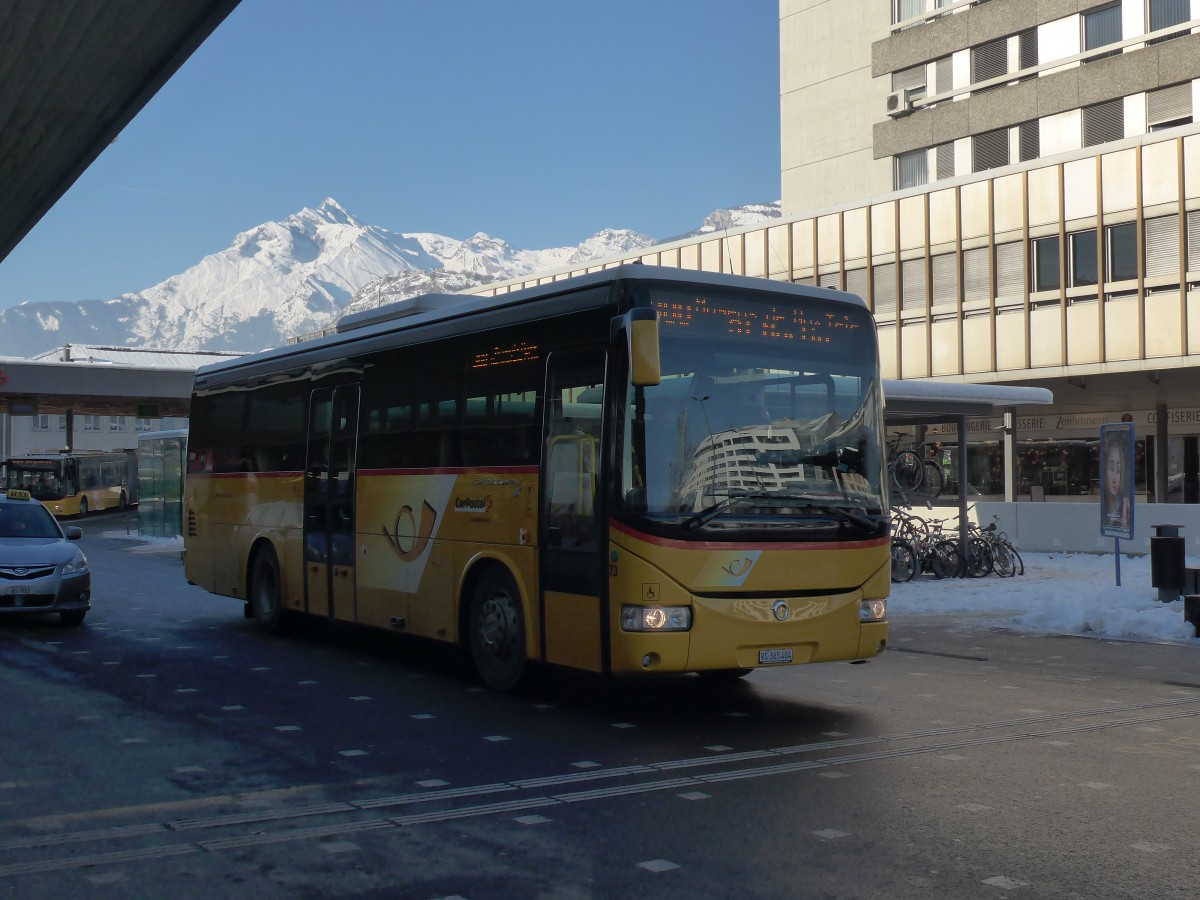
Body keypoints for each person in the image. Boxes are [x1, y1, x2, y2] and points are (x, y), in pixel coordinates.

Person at [1102, 437, 1130, 530]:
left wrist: (1125, 519)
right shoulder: (1102, 509)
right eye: (1111, 469)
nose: (1114, 478)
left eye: (1118, 470)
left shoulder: (1126, 506)